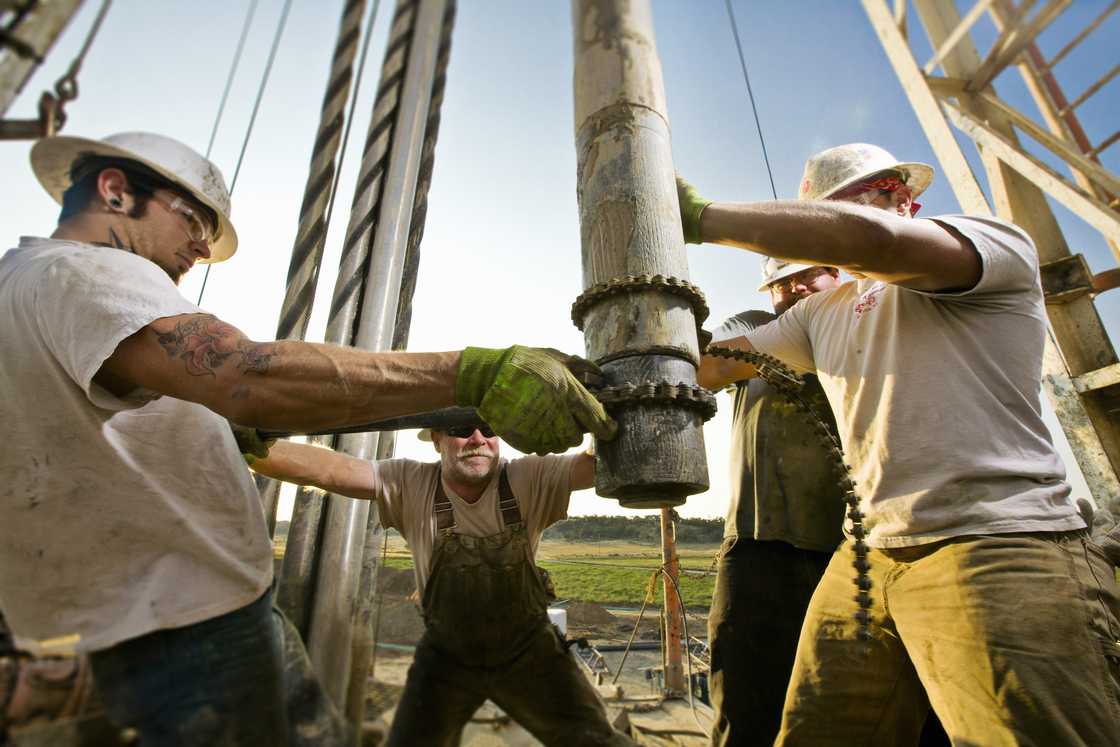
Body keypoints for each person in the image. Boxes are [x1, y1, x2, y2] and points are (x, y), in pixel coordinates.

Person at [0, 131, 616, 745]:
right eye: (192, 219)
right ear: (114, 190)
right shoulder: (85, 275)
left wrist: (223, 432)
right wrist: (473, 373)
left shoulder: (22, 285)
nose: (200, 245)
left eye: (209, 236)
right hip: (191, 627)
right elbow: (250, 376)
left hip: (141, 616)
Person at [680, 143, 1120, 745]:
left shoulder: (986, 245)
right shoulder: (821, 313)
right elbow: (713, 367)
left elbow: (878, 243)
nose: (828, 237)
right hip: (866, 556)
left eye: (864, 203)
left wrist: (704, 218)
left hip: (993, 542)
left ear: (900, 196)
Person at [251, 425, 636, 747]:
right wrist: (248, 443)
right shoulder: (410, 482)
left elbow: (599, 463)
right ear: (436, 439)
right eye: (458, 429)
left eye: (488, 428)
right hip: (447, 659)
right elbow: (333, 470)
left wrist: (594, 421)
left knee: (595, 740)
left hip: (530, 653)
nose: (476, 438)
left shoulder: (529, 476)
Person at [699, 258, 845, 746]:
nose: (794, 287)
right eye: (781, 282)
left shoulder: (858, 322)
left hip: (858, 549)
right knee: (748, 700)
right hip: (758, 544)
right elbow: (706, 365)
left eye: (808, 275)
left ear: (839, 275)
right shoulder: (758, 327)